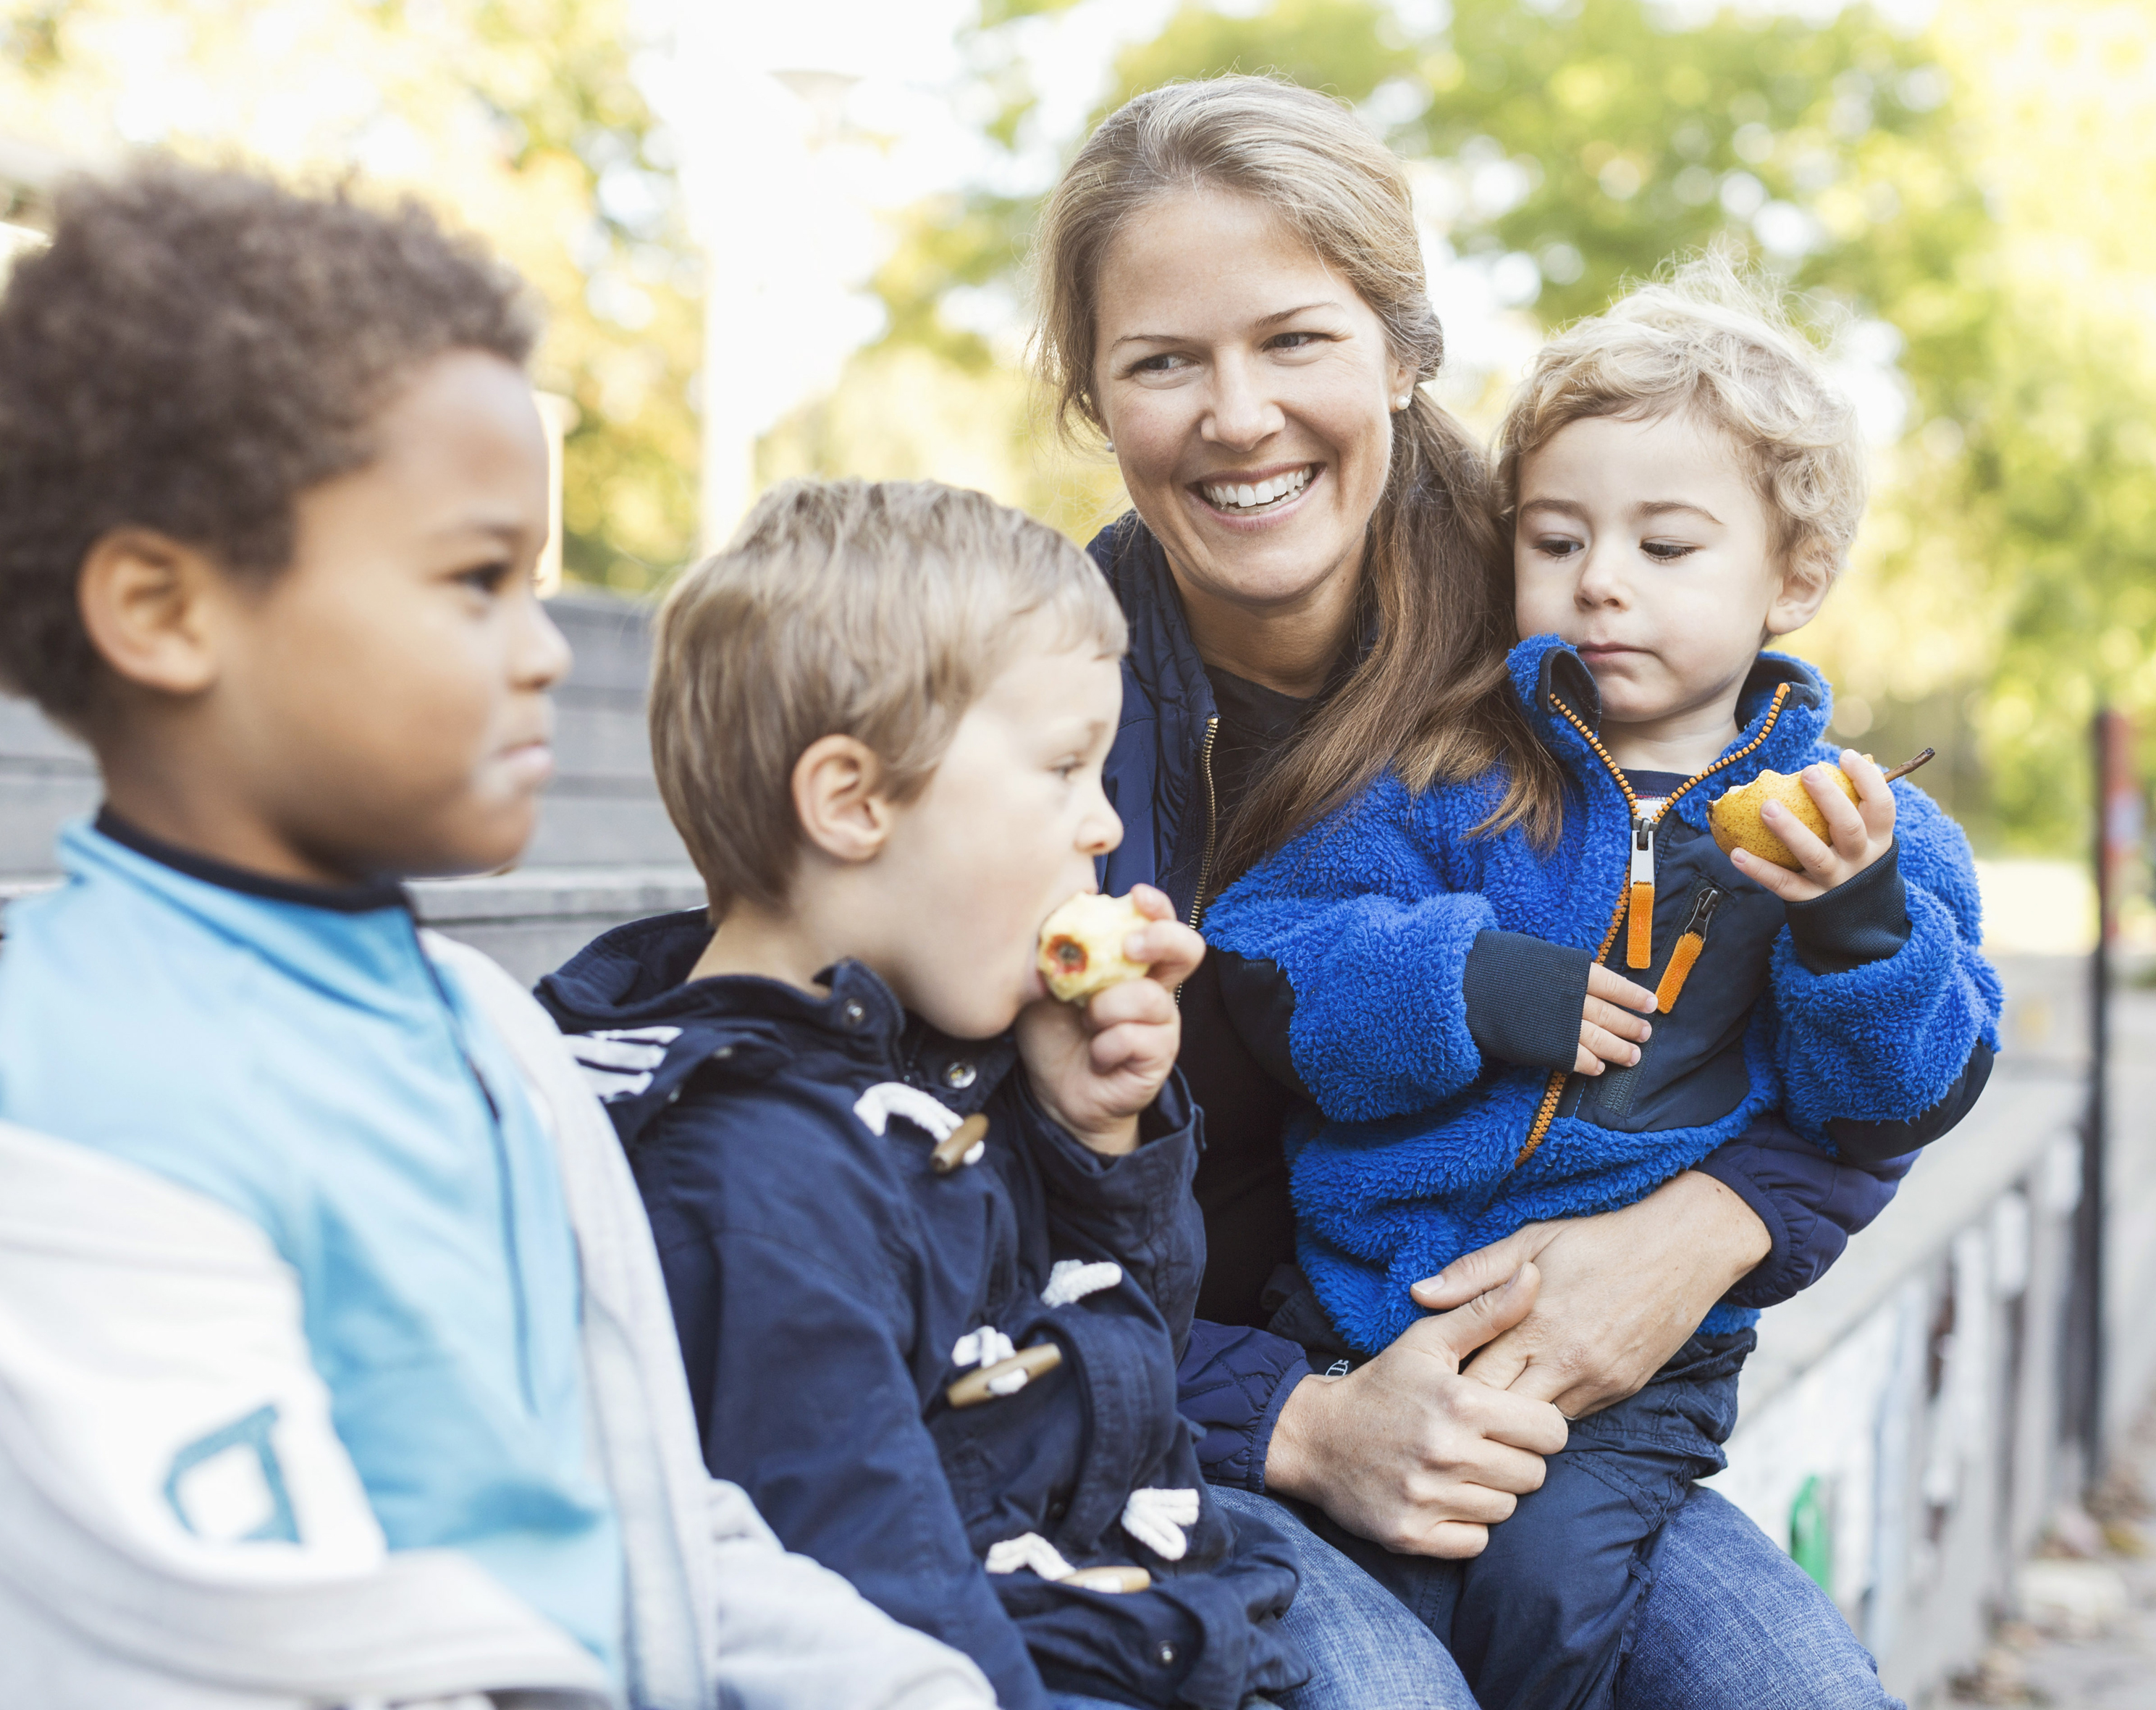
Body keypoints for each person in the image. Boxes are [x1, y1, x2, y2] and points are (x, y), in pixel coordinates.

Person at [0, 167, 990, 1710]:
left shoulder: (479, 1029)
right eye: (475, 581)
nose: (548, 650)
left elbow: (624, 1517)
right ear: (164, 610)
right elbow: (245, 1653)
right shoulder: (55, 1135)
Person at [1031, 74, 1937, 1703]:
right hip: (1202, 1389)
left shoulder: (1590, 614)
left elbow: (1854, 1043)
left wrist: (1695, 1235)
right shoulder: (1036, 698)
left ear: (1401, 347)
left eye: (1292, 338)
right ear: (1094, 396)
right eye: (1163, 361)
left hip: (1563, 1395)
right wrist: (1293, 1422)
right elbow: (961, 1211)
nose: (1236, 416)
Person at [1200, 258, 2002, 1709]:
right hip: (1362, 1312)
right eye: (1557, 538)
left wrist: (1851, 930)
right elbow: (1267, 946)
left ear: (1793, 577)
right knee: (1397, 1619)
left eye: (1666, 545)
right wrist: (1466, 980)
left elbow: (1896, 1096)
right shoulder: (1448, 779)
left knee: (1551, 1600)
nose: (1600, 581)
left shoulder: (1859, 828)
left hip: (1634, 1376)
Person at [534, 479, 1313, 1710]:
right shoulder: (752, 1176)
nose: (1105, 823)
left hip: (1136, 1602)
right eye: (1064, 767)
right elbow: (879, 1587)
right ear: (853, 802)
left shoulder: (940, 1067)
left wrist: (1097, 1138)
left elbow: (1124, 1381)